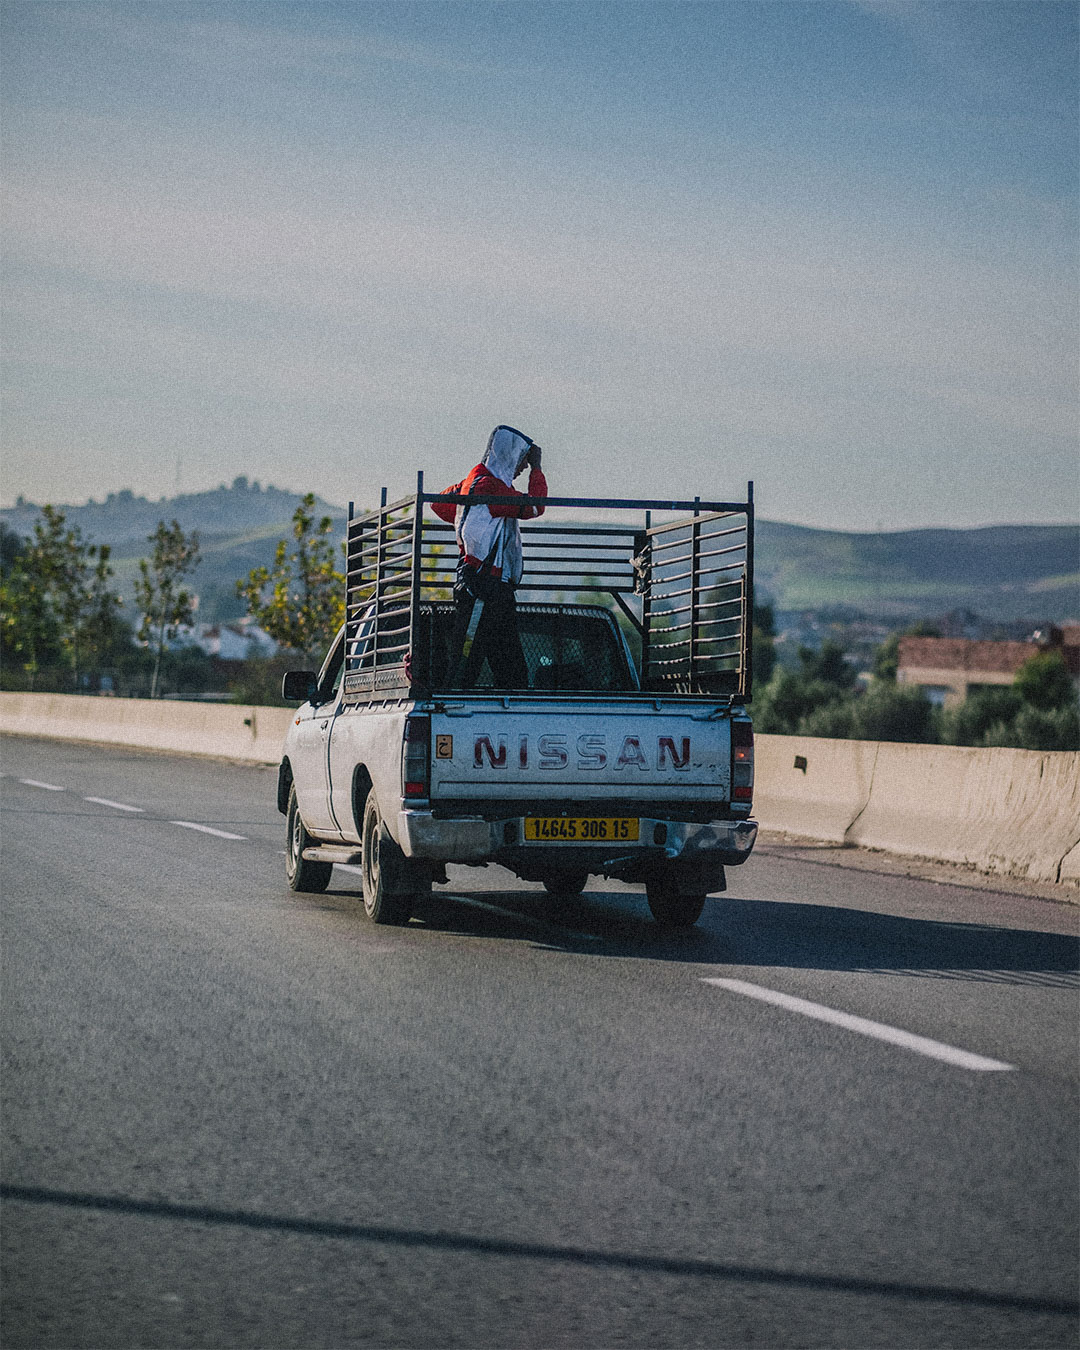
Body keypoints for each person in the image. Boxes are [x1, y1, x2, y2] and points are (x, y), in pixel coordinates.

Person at [431, 425, 548, 688]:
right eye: (520, 462)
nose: (521, 469)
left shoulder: (472, 484)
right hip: (486, 589)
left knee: (488, 662)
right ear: (508, 456)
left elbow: (438, 503)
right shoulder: (490, 487)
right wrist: (537, 469)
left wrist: (468, 516)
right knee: (469, 665)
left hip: (482, 588)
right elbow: (535, 506)